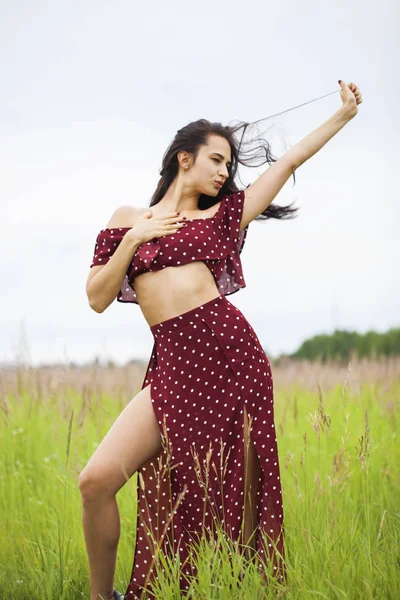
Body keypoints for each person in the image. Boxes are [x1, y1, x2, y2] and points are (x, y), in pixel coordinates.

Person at [79, 80, 363, 600]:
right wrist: (137, 238)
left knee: (231, 498)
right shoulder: (126, 220)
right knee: (95, 482)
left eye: (228, 165)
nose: (223, 172)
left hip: (231, 361)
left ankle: (240, 589)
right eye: (215, 160)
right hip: (172, 366)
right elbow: (97, 296)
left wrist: (342, 116)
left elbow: (289, 160)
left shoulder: (224, 217)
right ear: (183, 158)